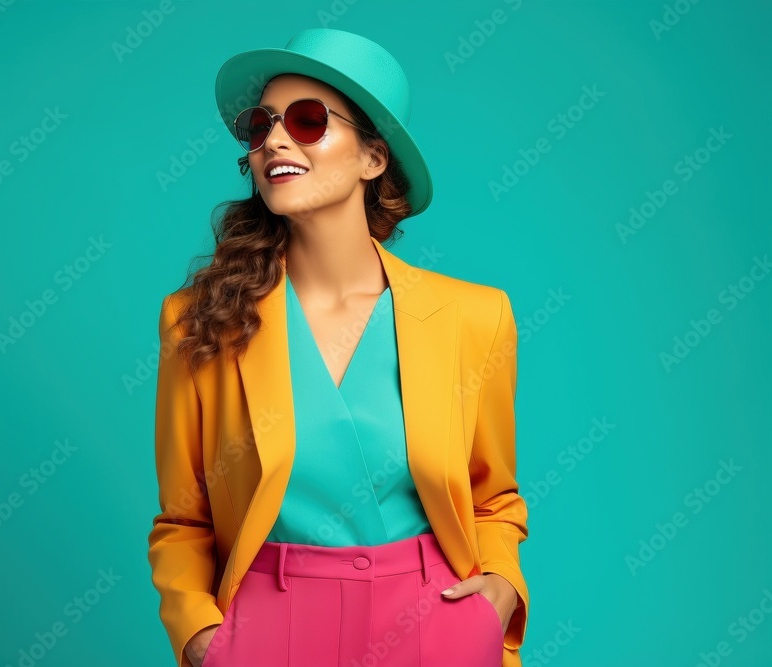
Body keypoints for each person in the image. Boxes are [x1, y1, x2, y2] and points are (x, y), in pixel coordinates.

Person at [148, 28, 529, 667]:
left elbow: (493, 497)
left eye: (306, 120)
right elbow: (184, 518)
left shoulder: (475, 316)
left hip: (435, 622)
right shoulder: (199, 321)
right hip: (269, 626)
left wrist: (499, 588)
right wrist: (199, 636)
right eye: (259, 124)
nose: (274, 140)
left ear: (372, 158)